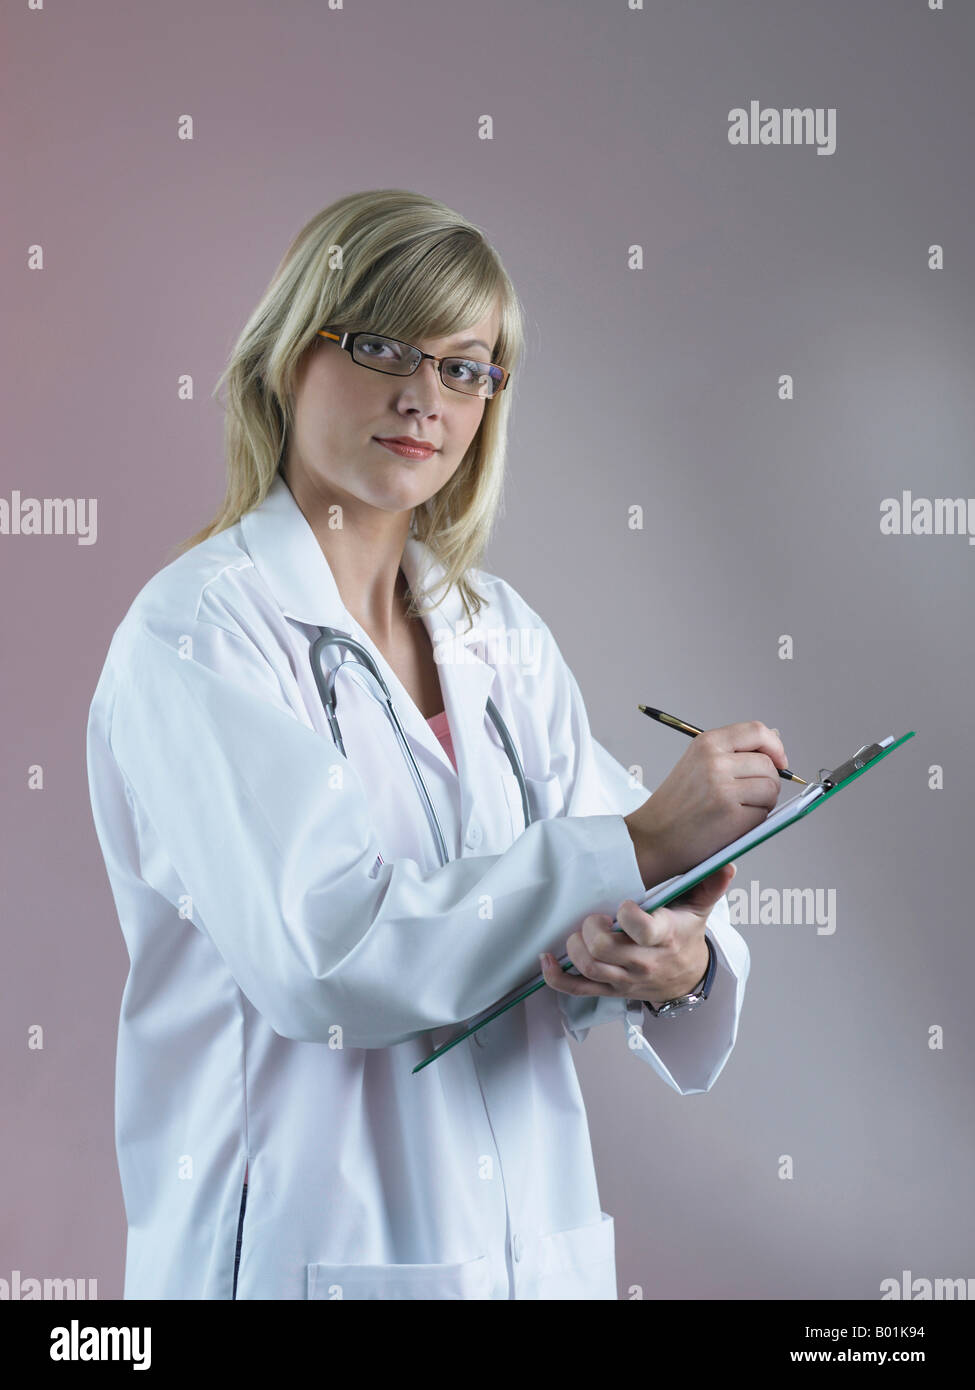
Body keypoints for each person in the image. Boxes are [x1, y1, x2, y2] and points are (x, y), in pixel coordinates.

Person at [85, 188, 790, 1300]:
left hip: (529, 1252)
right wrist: (644, 843)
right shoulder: (198, 634)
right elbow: (328, 956)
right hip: (298, 1254)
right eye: (381, 347)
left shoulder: (494, 631)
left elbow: (612, 887)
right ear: (288, 356)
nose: (424, 398)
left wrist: (675, 961)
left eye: (466, 366)